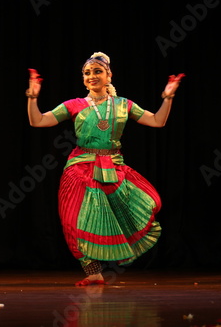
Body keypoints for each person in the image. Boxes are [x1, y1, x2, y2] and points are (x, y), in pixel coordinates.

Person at [26, 52, 184, 286]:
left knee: (132, 210)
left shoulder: (123, 105)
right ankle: (93, 272)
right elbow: (37, 121)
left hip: (113, 167)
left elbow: (157, 121)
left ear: (109, 75)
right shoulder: (74, 105)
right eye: (87, 73)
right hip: (80, 168)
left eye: (97, 71)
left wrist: (167, 98)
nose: (92, 76)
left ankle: (107, 264)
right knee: (73, 220)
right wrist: (32, 97)